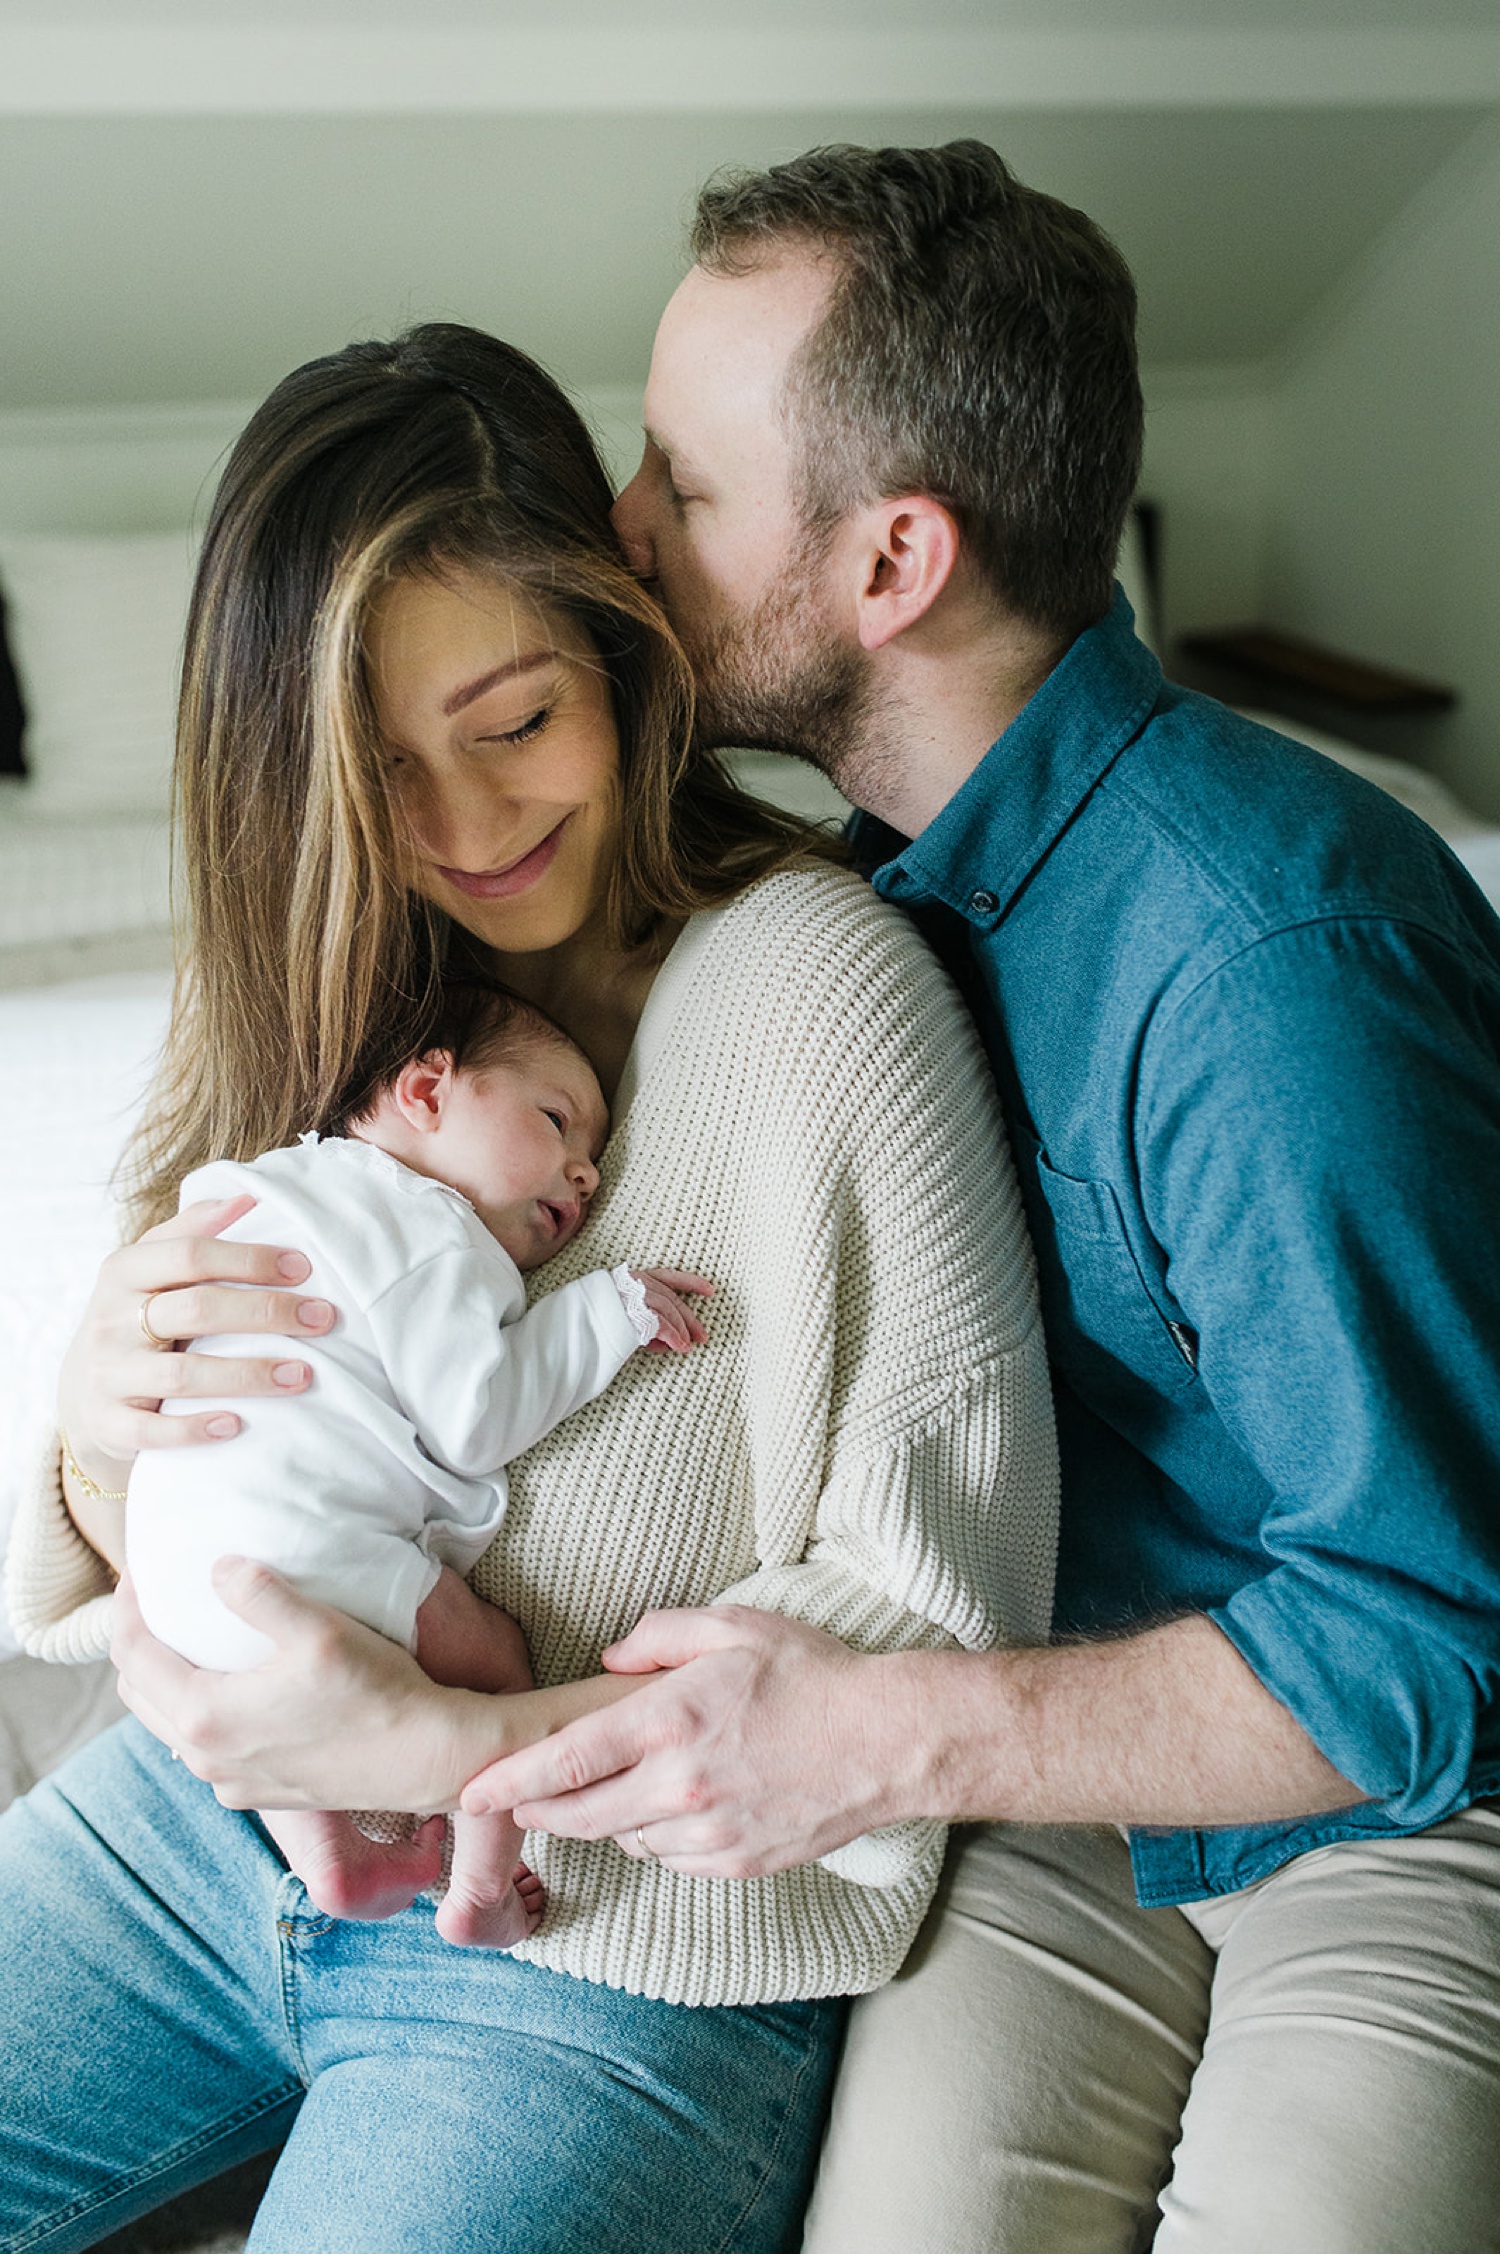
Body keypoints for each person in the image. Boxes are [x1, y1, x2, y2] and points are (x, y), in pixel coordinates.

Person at [437, 143, 1498, 2249]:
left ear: (895, 558)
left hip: (1402, 1786)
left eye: (682, 483)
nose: (617, 534)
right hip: (1053, 1764)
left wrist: (884, 1727)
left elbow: (1435, 1629)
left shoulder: (1268, 961)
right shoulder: (832, 896)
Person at [0, 320, 1058, 2254]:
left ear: (617, 657)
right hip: (194, 1825)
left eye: (512, 724)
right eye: (384, 774)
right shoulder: (344, 994)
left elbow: (926, 1593)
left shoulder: (822, 991)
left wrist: (460, 1748)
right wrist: (88, 1429)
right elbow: (147, 1511)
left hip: (601, 1937)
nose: (470, 830)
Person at [128, 976, 712, 1947]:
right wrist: (605, 1312)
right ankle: (483, 1884)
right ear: (427, 1093)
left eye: (592, 1158)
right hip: (290, 1551)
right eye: (557, 1120)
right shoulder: (423, 1226)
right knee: (497, 1663)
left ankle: (334, 1854)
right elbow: (473, 1417)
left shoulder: (287, 1188)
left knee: (263, 1681)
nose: (586, 1175)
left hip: (172, 1567)